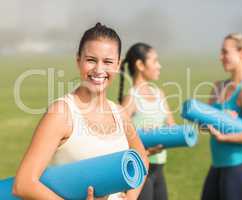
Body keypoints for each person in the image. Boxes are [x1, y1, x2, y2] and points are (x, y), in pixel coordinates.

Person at [13, 22, 149, 200]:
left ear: (118, 65)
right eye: (91, 60)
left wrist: (130, 198)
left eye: (107, 62)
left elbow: (142, 160)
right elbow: (23, 184)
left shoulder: (119, 113)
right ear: (78, 61)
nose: (99, 69)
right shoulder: (61, 113)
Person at [201, 33, 242, 200]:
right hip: (217, 165)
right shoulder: (217, 87)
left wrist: (225, 137)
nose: (220, 57)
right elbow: (204, 125)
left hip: (240, 167)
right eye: (220, 52)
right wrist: (209, 121)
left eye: (225, 52)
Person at [119, 43, 175, 200]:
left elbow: (172, 128)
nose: (159, 66)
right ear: (140, 65)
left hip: (159, 169)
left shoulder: (160, 94)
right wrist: (146, 149)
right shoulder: (131, 98)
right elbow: (119, 138)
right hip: (140, 171)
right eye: (155, 61)